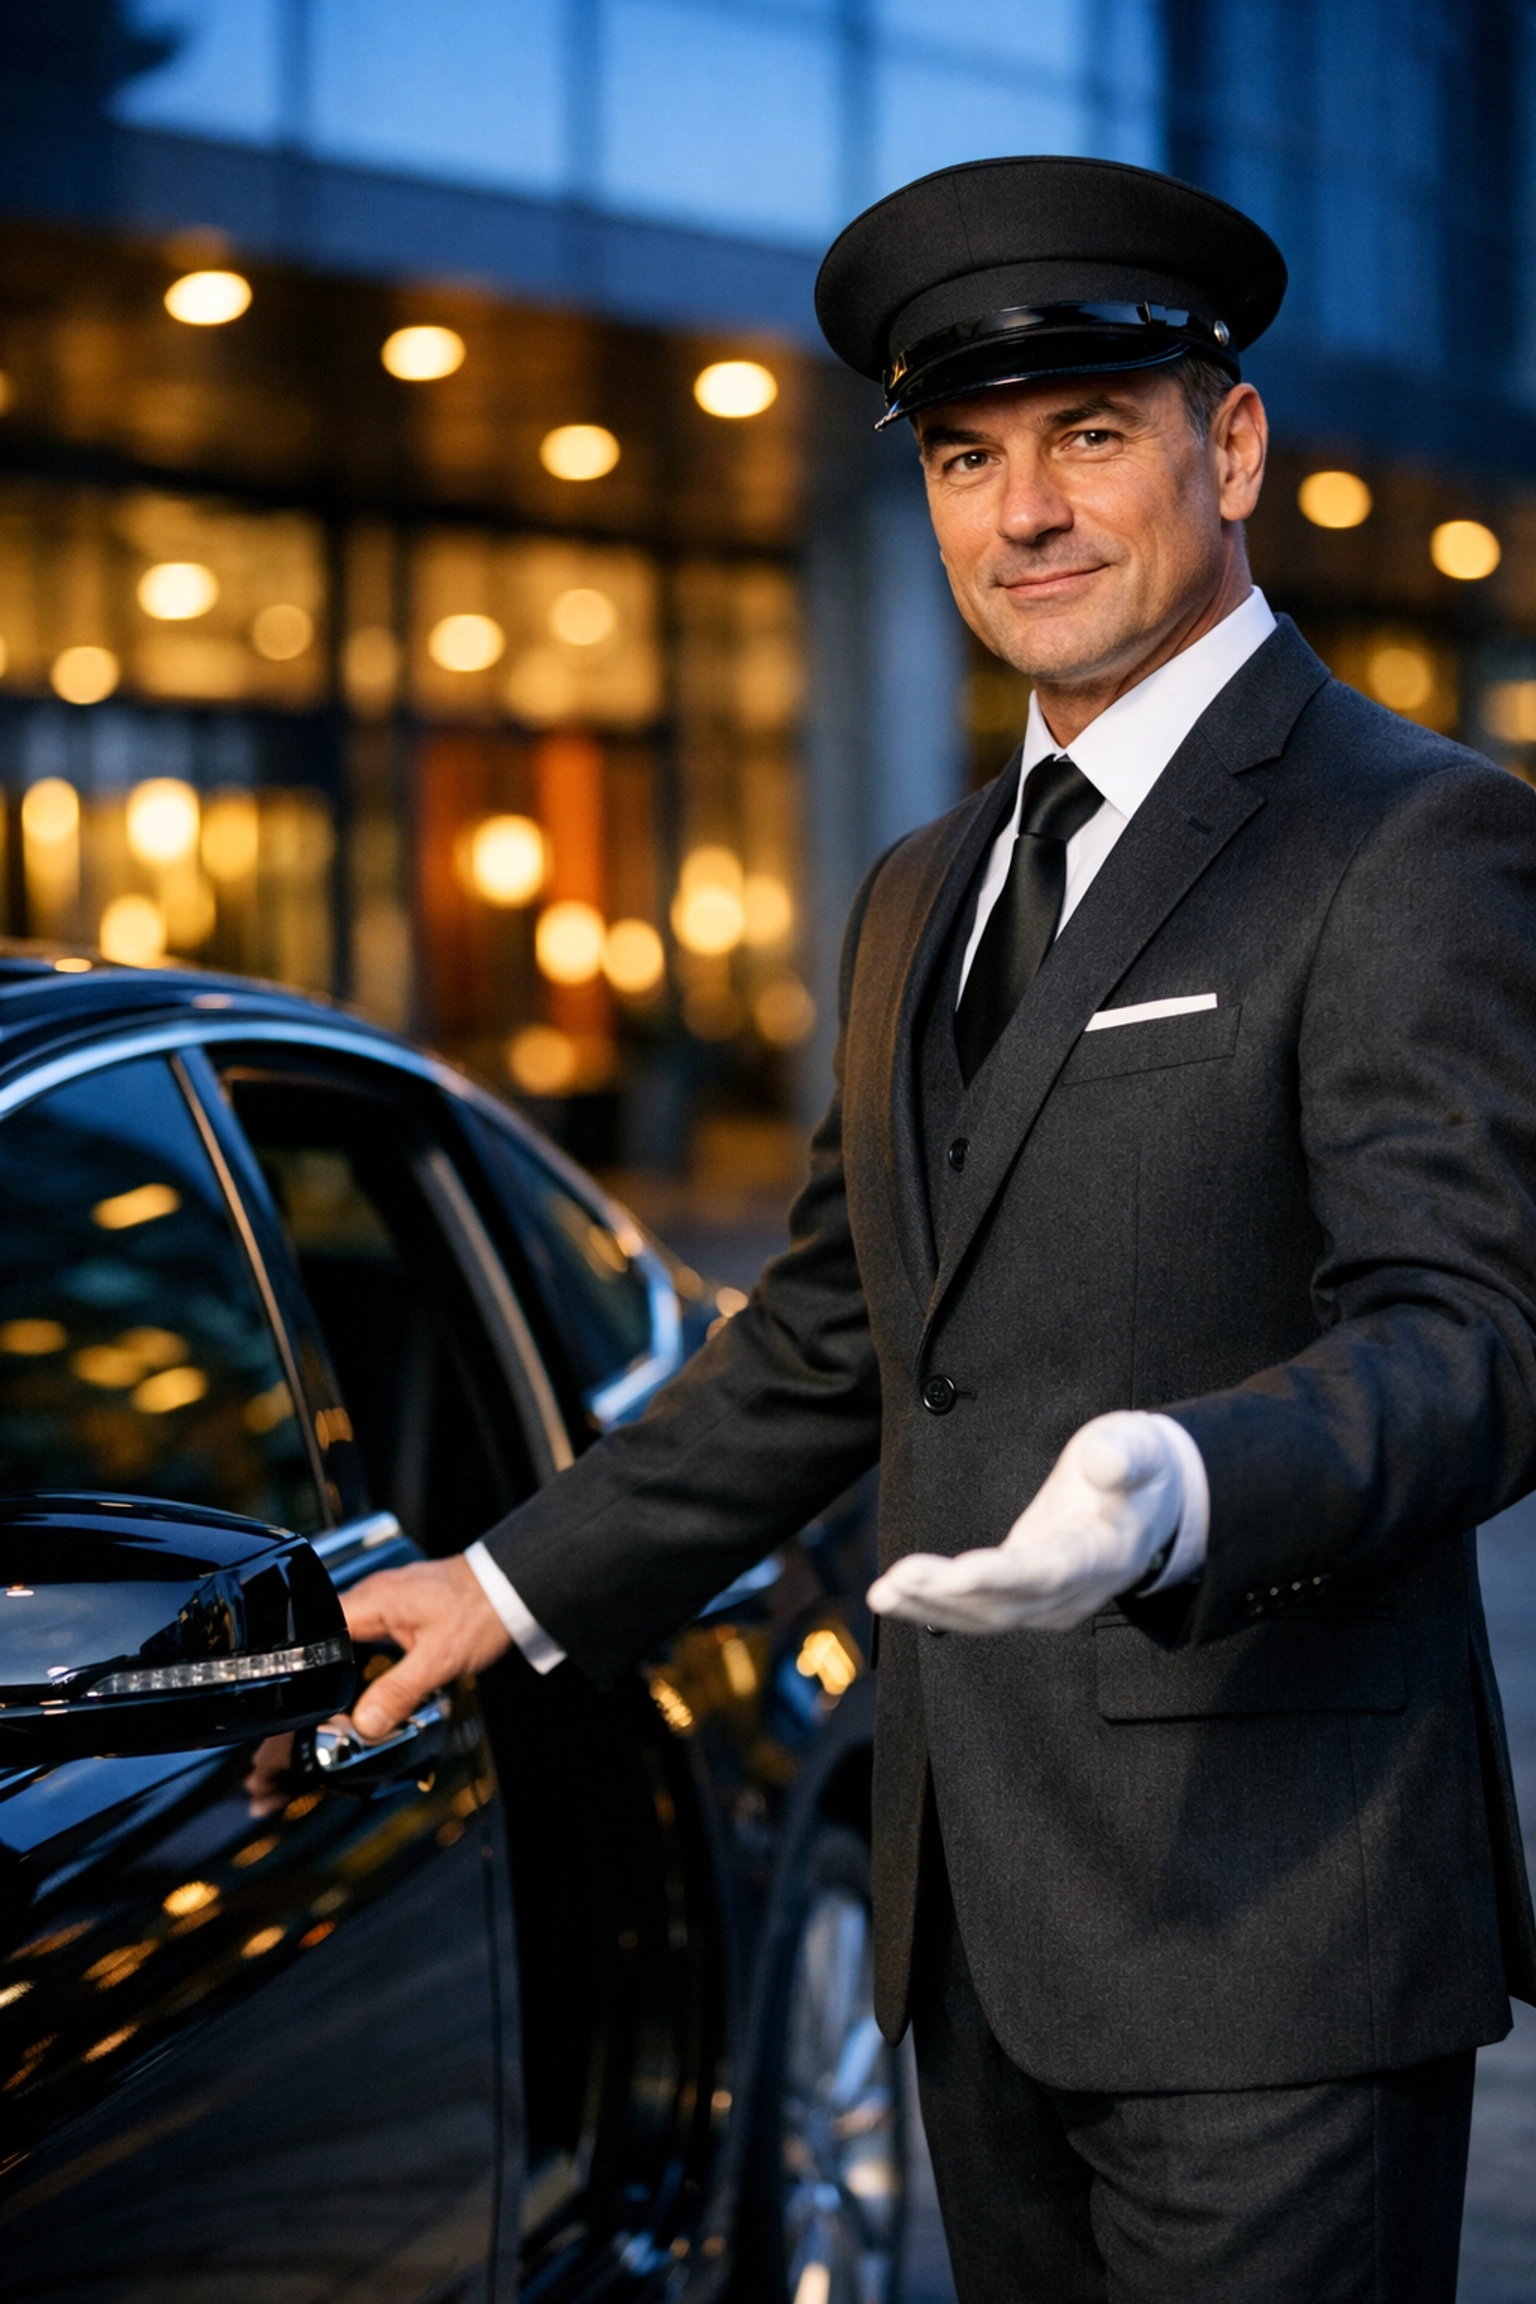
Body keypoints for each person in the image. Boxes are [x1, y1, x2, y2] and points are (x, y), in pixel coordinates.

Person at [340, 157, 1536, 2300]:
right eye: (968, 457)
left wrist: (1183, 1482)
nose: (1026, 515)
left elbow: (1474, 1336)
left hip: (1272, 1936)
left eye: (1090, 436)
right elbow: (836, 1330)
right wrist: (507, 1588)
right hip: (967, 1917)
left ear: (1230, 445)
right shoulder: (921, 883)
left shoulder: (1414, 835)